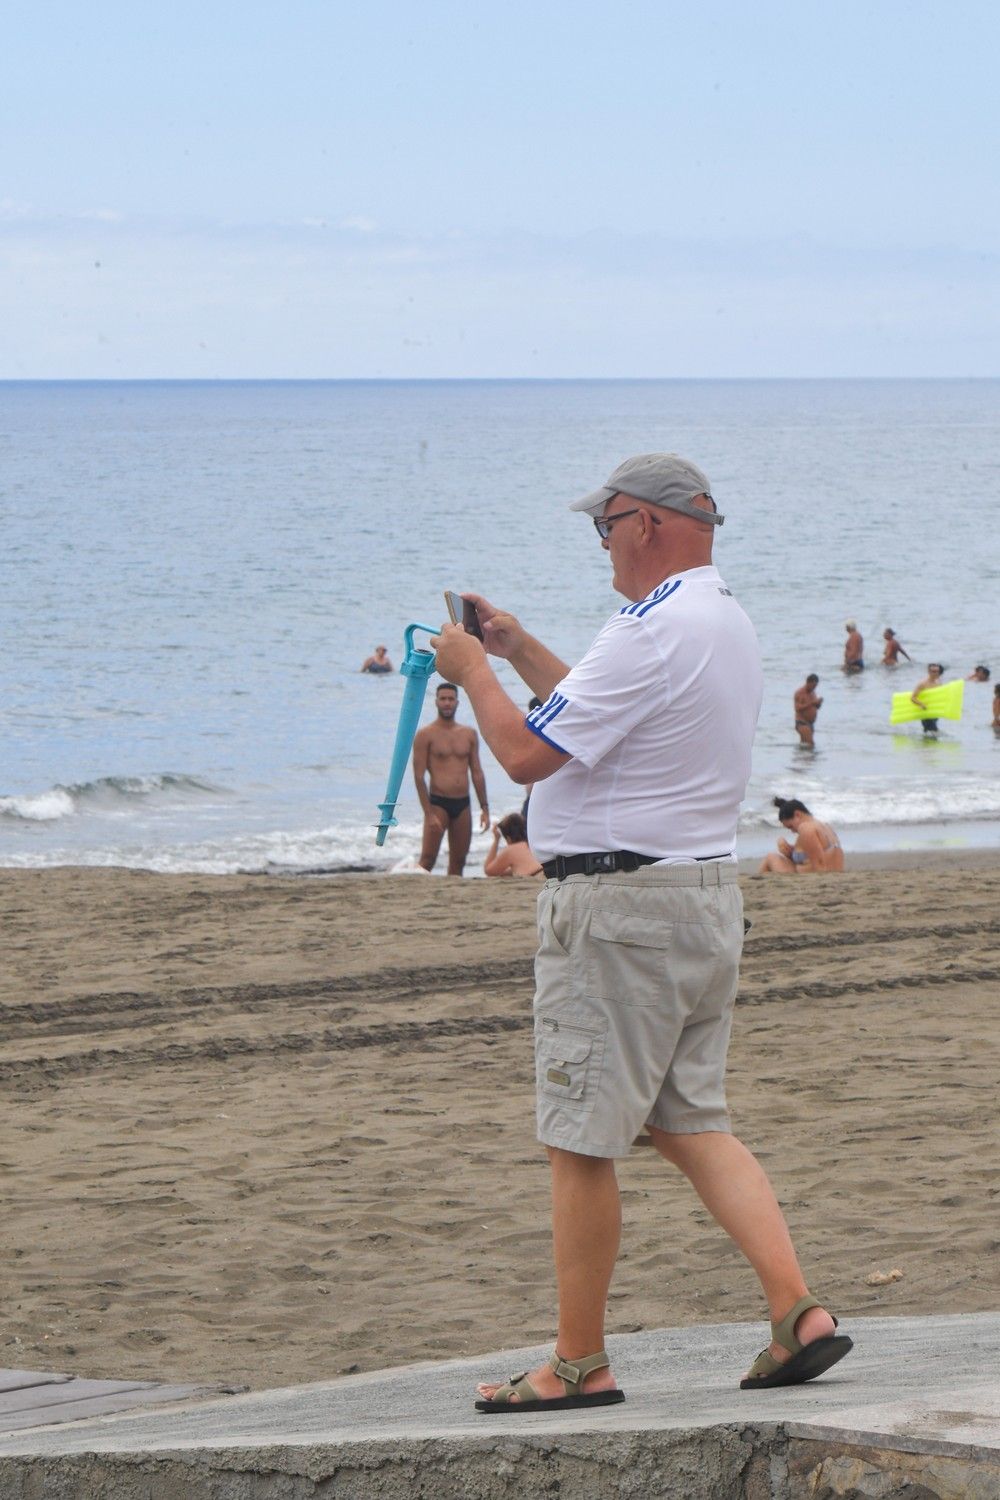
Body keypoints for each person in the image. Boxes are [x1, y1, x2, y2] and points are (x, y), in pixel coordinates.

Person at [431, 452, 851, 1412]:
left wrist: (465, 671)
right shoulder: (721, 620)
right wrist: (516, 648)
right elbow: (601, 709)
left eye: (605, 526)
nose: (604, 544)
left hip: (619, 911)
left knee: (579, 1139)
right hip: (699, 897)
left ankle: (578, 1362)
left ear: (647, 524)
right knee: (688, 1118)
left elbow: (529, 752)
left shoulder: (648, 626)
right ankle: (798, 1313)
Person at [412, 682, 489, 874]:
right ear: (436, 702)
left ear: (457, 702)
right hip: (438, 804)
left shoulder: (469, 734)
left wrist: (484, 808)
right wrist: (428, 813)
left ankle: (452, 902)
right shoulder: (425, 735)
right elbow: (419, 777)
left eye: (451, 699)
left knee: (459, 861)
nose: (447, 703)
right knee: (427, 859)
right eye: (443, 699)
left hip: (463, 804)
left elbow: (477, 772)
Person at [758, 798, 844, 874]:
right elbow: (816, 855)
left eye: (791, 826)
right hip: (835, 873)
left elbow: (820, 866)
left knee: (770, 857)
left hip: (816, 876)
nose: (792, 831)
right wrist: (789, 851)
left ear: (797, 815)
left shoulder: (806, 828)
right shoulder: (825, 826)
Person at [484, 812, 542, 878]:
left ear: (508, 838)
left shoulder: (511, 850)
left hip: (536, 876)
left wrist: (496, 840)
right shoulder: (533, 843)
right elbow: (509, 871)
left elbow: (488, 871)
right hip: (546, 872)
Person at [911, 662, 944, 736]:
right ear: (929, 672)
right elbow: (913, 697)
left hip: (935, 712)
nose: (935, 674)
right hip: (925, 713)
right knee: (934, 732)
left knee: (928, 733)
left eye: (937, 672)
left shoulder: (939, 682)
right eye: (933, 672)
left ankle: (925, 746)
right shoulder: (922, 683)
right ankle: (932, 746)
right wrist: (921, 704)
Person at [793, 674, 823, 747]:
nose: (814, 688)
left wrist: (818, 704)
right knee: (811, 744)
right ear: (808, 683)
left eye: (816, 686)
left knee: (804, 746)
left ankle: (800, 757)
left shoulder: (813, 692)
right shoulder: (800, 693)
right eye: (813, 686)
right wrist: (812, 703)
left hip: (810, 724)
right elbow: (797, 708)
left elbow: (815, 707)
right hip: (802, 723)